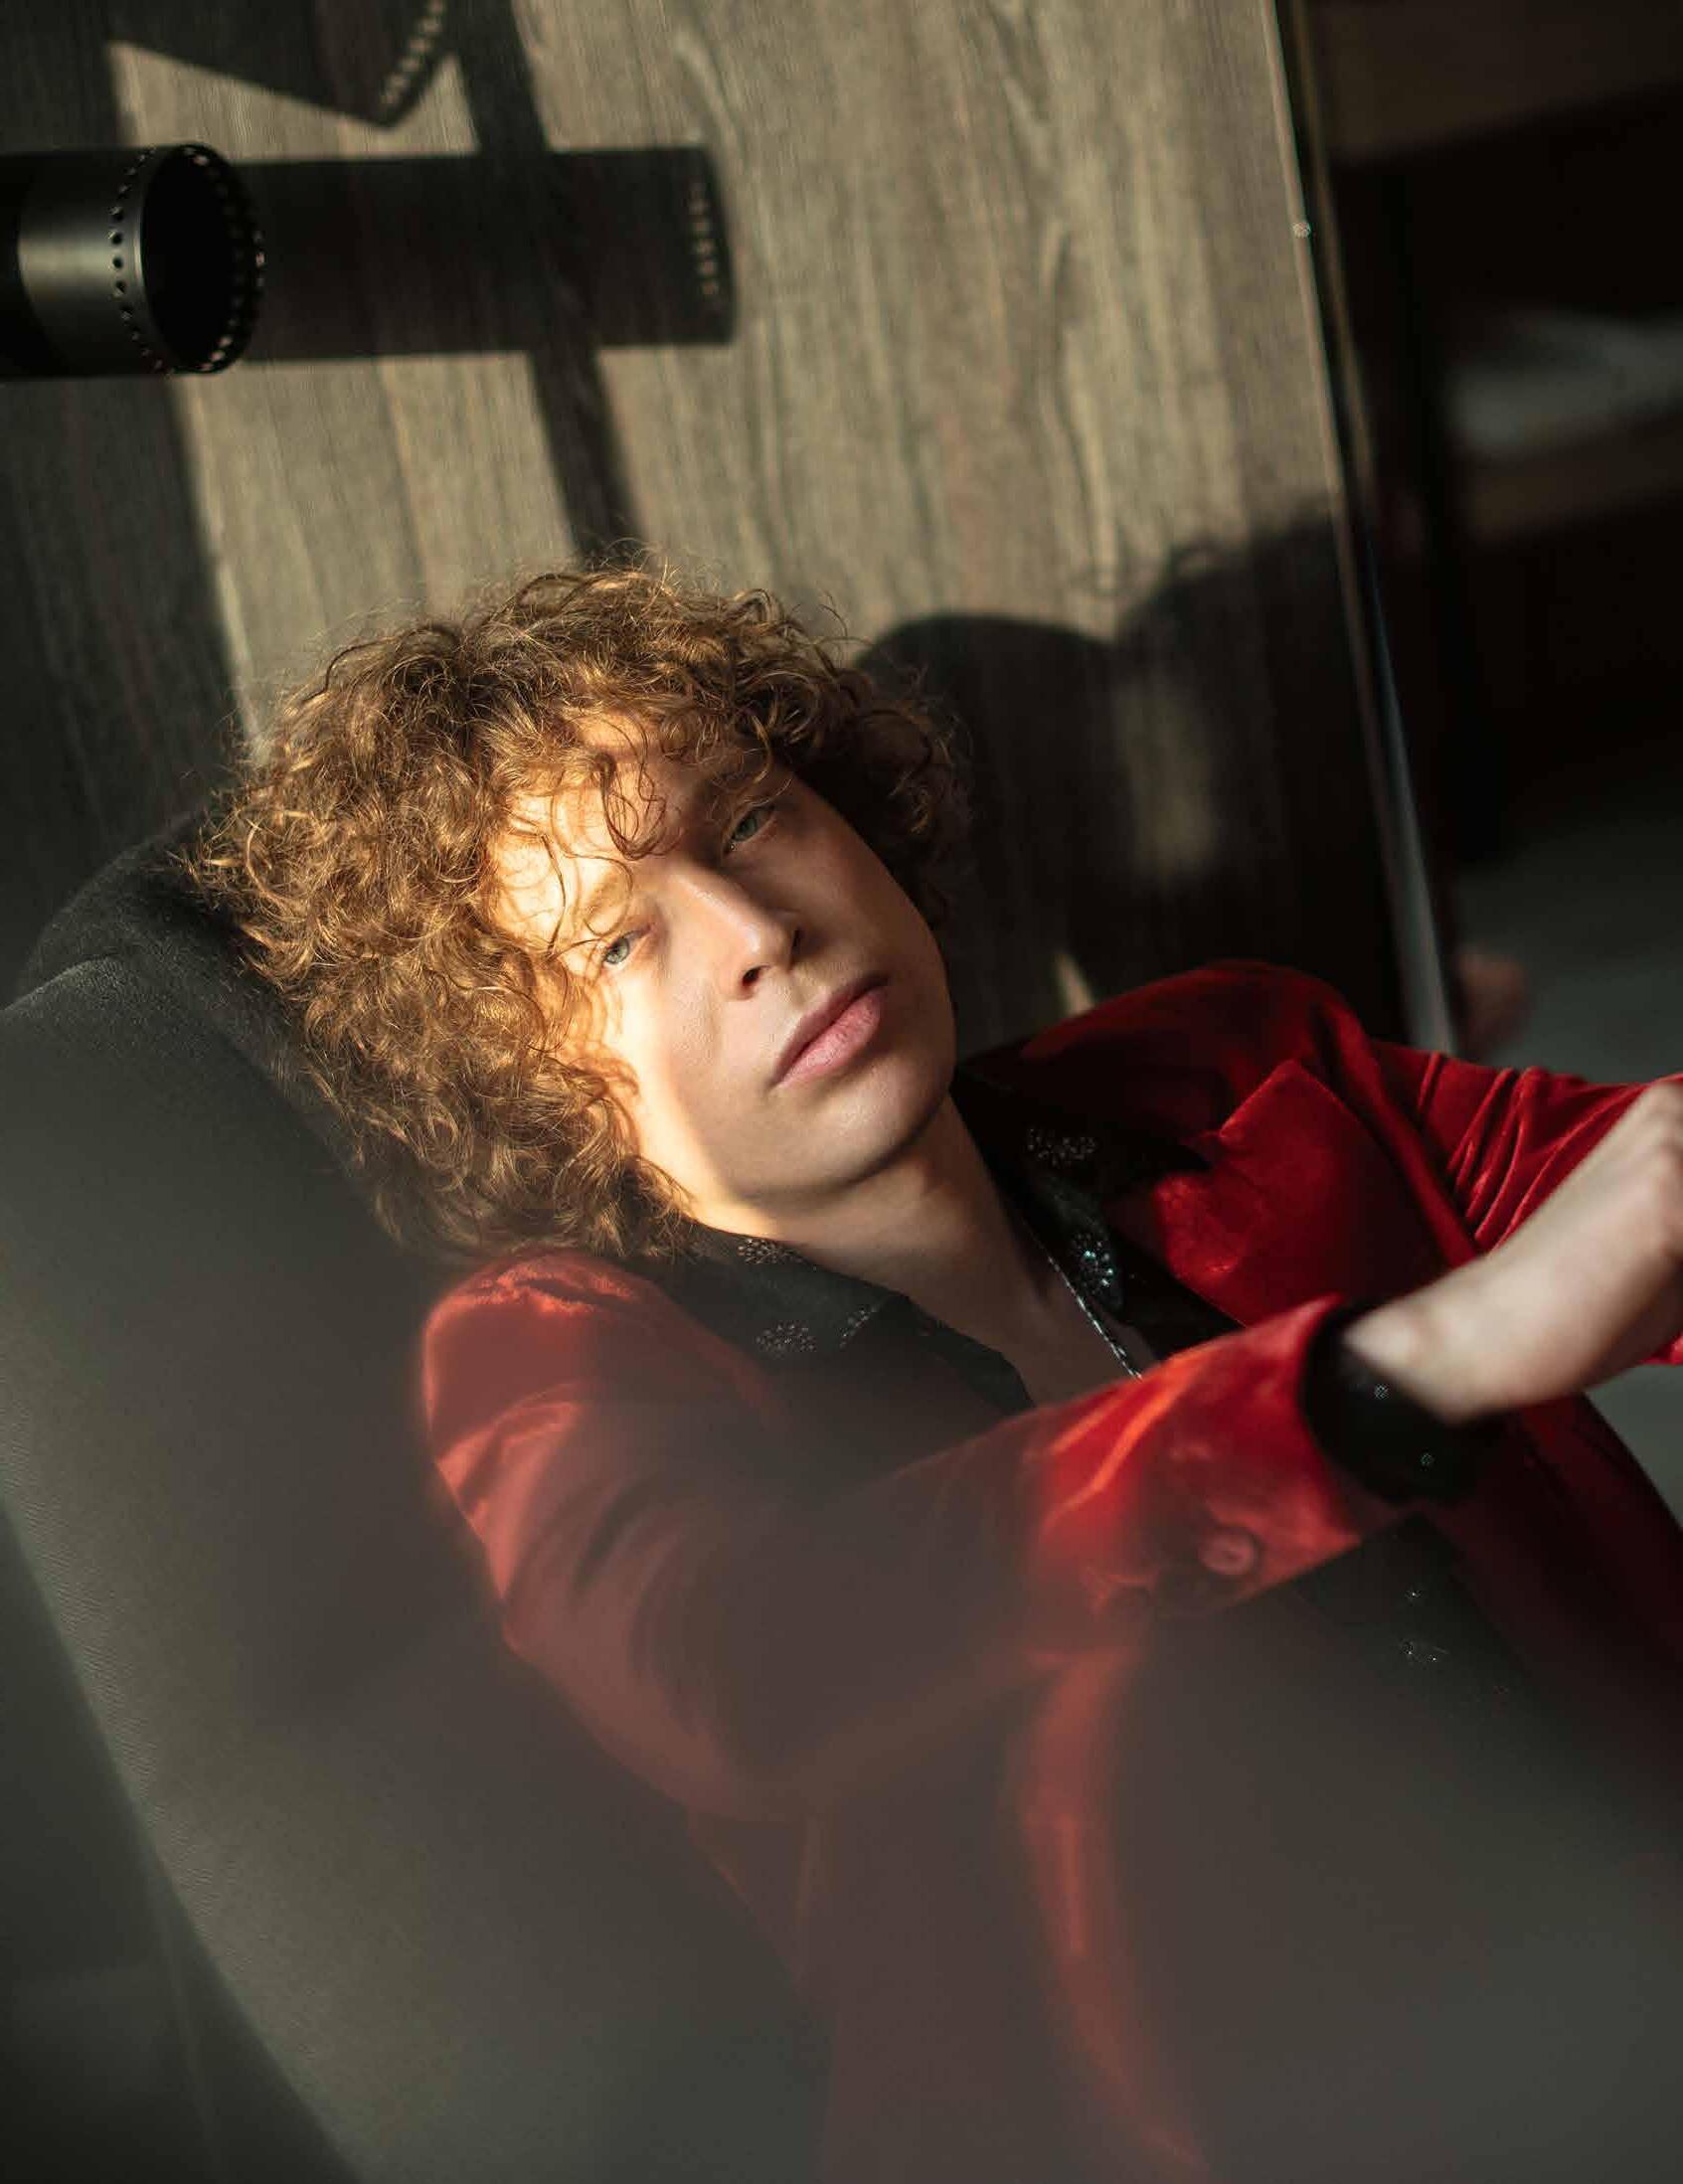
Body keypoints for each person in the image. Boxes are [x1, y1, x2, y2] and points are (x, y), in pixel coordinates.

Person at [180, 560, 1683, 2184]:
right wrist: (1406, 1371)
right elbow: (743, 1662)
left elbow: (1636, 1192)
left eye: (748, 818)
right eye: (615, 943)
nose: (758, 932)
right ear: (525, 1081)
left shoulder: (1227, 1068)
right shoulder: (548, 1354)